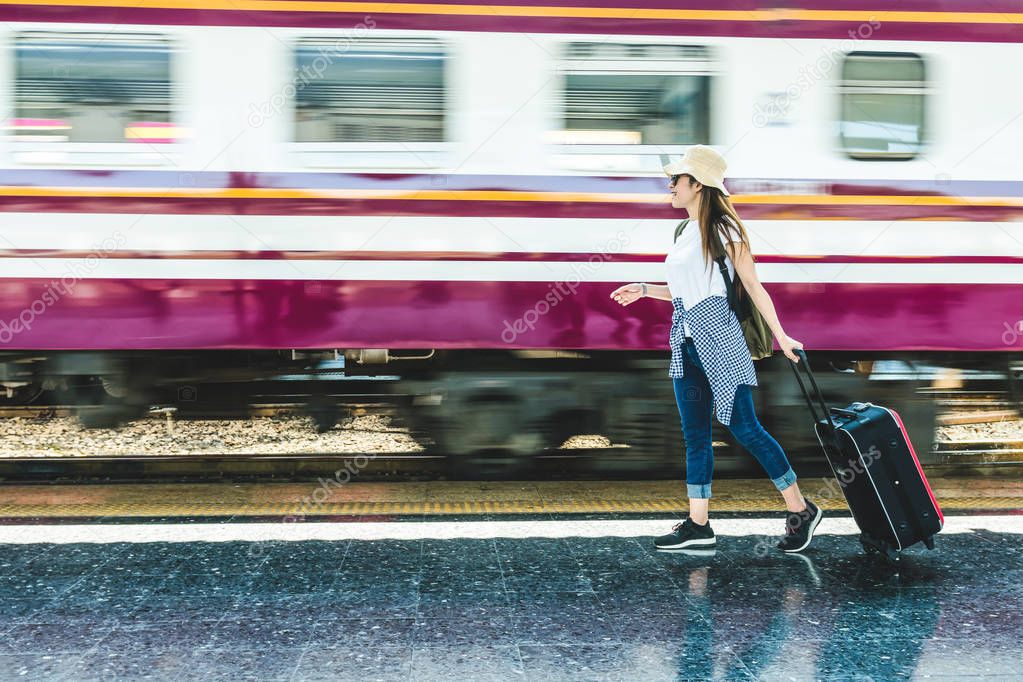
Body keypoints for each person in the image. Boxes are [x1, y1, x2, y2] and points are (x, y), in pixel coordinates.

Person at [609, 145, 822, 554]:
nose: (670, 185)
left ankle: (801, 510)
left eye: (678, 179)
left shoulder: (728, 232)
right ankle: (698, 525)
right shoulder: (683, 231)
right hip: (685, 338)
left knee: (745, 429)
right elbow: (683, 290)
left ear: (699, 186)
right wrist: (643, 289)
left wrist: (783, 335)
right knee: (695, 436)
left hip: (720, 338)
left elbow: (754, 287)